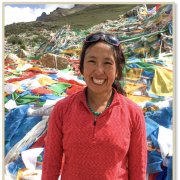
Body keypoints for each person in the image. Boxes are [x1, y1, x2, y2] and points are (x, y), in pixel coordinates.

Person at [41, 32, 147, 180]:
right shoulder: (62, 109)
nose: (98, 71)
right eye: (92, 61)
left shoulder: (133, 113)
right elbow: (50, 166)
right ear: (82, 67)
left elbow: (138, 171)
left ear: (117, 70)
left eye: (107, 63)